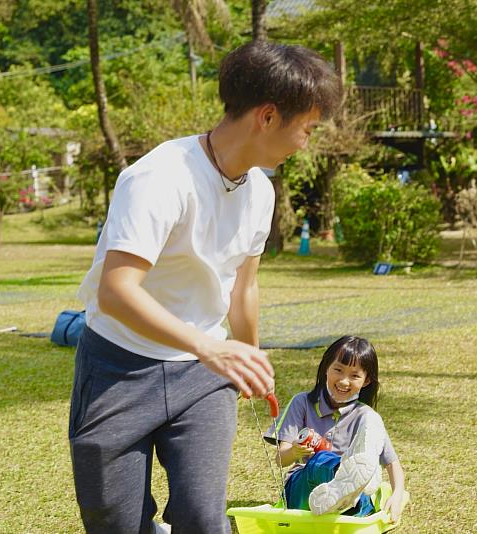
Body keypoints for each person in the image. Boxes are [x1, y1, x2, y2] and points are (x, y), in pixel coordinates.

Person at [69, 41, 342, 534]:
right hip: (117, 366)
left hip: (202, 378)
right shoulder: (159, 177)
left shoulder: (260, 190)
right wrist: (210, 346)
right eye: (307, 126)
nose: (307, 140)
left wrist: (248, 355)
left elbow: (244, 286)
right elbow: (115, 290)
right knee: (116, 523)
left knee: (203, 520)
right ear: (267, 116)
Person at [264, 336, 406, 522]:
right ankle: (349, 480)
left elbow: (392, 463)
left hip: (350, 499)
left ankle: (349, 493)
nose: (344, 381)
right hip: (302, 491)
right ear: (326, 369)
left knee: (361, 496)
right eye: (338, 370)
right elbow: (281, 459)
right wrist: (295, 451)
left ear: (366, 381)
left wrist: (397, 495)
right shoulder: (302, 403)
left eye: (354, 376)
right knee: (320, 460)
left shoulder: (367, 417)